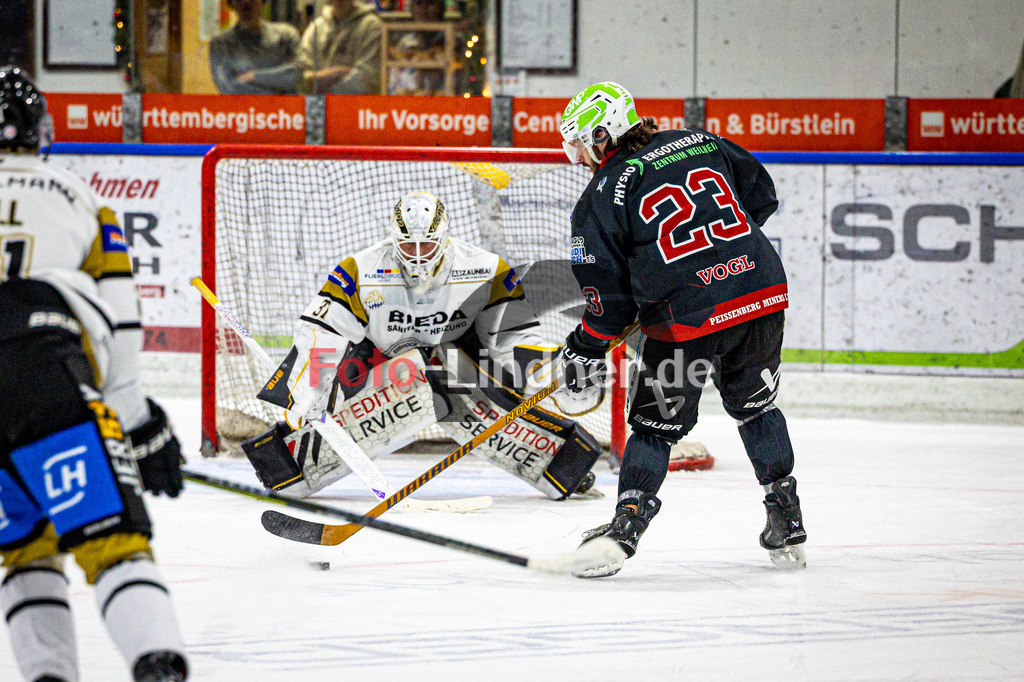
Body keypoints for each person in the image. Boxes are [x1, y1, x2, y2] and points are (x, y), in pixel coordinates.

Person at [557, 82, 806, 577]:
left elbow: (607, 303)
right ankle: (787, 520)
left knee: (655, 427)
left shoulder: (600, 197)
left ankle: (623, 532)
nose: (579, 156)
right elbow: (761, 196)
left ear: (601, 137)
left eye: (581, 143)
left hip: (686, 320)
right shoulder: (702, 142)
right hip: (759, 294)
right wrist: (720, 258)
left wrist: (584, 346)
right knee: (757, 409)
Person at [0, 67, 189, 681]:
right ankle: (155, 664)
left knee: (24, 546)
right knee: (111, 538)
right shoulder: (80, 198)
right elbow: (124, 325)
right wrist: (136, 421)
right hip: (40, 366)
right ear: (40, 133)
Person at [244, 191, 603, 502]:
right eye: (408, 245)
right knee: (303, 457)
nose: (418, 255)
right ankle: (287, 465)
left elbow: (511, 341)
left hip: (452, 367)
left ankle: (561, 464)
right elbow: (320, 334)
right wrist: (311, 392)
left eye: (427, 245)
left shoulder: (487, 270)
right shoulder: (358, 270)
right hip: (375, 365)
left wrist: (550, 369)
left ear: (444, 238)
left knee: (444, 373)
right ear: (393, 238)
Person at [208, 0, 301, 95]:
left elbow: (295, 75)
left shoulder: (286, 36)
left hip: (285, 109)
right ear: (231, 2)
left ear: (263, 1)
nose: (246, 1)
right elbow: (227, 87)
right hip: (243, 109)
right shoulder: (221, 44)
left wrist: (252, 76)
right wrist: (276, 86)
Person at [297, 0, 383, 94]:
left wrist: (318, 83)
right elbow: (300, 77)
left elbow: (368, 80)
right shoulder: (316, 28)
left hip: (357, 106)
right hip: (316, 106)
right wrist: (338, 72)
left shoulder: (370, 26)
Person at [388, 0, 447, 95]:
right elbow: (393, 85)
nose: (424, 8)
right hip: (409, 107)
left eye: (430, 3)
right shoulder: (405, 43)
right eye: (419, 3)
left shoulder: (452, 42)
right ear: (412, 9)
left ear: (440, 9)